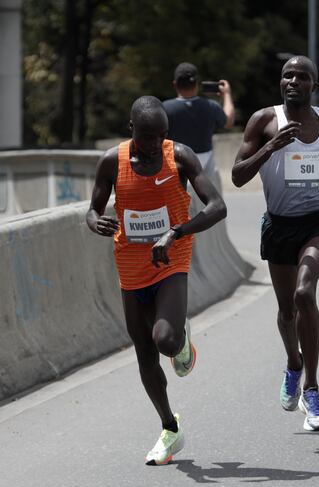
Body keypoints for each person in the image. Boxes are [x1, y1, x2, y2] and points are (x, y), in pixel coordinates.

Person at [87, 95, 227, 464]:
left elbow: (217, 207)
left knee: (164, 340)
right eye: (147, 136)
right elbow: (93, 209)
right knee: (145, 357)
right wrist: (94, 221)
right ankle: (169, 428)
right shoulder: (111, 162)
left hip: (172, 258)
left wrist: (177, 232)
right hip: (131, 266)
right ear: (131, 129)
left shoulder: (179, 156)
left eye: (161, 135)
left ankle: (180, 340)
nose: (154, 145)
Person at [231, 56, 319, 431]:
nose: (293, 81)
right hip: (279, 225)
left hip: (318, 221)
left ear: (313, 85)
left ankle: (313, 390)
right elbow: (238, 176)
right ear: (281, 82)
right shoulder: (263, 121)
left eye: (302, 76)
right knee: (287, 311)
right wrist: (269, 147)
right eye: (288, 75)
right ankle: (293, 362)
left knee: (306, 294)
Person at [162, 62, 235, 177]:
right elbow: (228, 122)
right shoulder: (211, 106)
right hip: (206, 168)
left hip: (175, 165)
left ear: (175, 84)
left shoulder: (164, 108)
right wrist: (226, 94)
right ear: (197, 84)